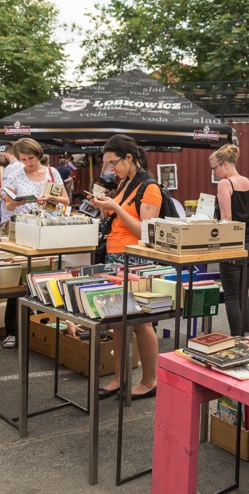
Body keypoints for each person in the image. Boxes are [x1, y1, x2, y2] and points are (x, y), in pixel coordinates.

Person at [87, 134, 160, 400]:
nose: (110, 169)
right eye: (107, 164)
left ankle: (151, 380)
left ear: (129, 158)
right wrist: (104, 206)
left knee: (141, 323)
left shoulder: (148, 186)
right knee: (116, 321)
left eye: (113, 163)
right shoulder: (125, 183)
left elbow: (145, 231)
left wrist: (116, 206)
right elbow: (117, 220)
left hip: (135, 260)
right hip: (115, 257)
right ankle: (120, 377)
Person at [0, 138, 69, 348]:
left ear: (38, 154)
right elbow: (8, 206)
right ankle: (13, 330)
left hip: (48, 229)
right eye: (23, 159)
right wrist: (16, 201)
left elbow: (66, 200)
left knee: (49, 276)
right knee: (21, 277)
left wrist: (51, 198)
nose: (28, 162)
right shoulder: (15, 174)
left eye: (31, 158)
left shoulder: (52, 172)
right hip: (22, 229)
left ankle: (49, 327)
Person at [211, 144, 249, 336]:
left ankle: (236, 339)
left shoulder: (225, 184)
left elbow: (226, 218)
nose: (214, 173)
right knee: (244, 294)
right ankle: (247, 336)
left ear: (225, 164)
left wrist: (232, 246)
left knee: (232, 296)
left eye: (214, 168)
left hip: (234, 246)